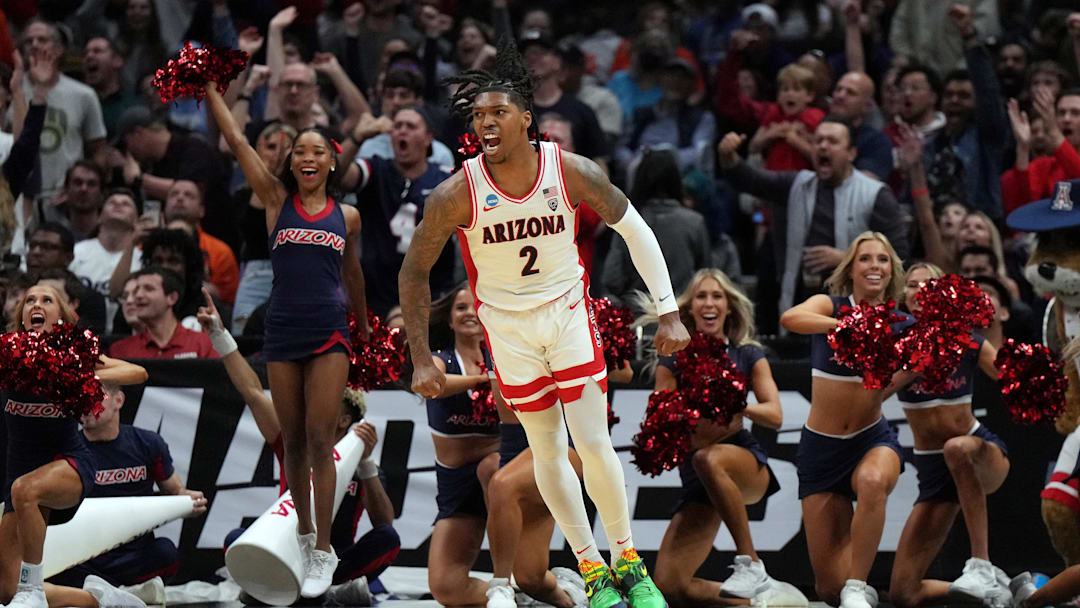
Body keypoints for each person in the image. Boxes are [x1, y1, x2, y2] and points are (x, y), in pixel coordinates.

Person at [401, 42, 690, 608]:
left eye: (498, 113)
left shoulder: (571, 171)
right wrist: (419, 356)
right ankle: (592, 567)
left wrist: (669, 311)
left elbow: (636, 230)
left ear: (526, 120)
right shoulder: (456, 193)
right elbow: (414, 273)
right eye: (478, 116)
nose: (486, 123)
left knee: (593, 440)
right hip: (507, 331)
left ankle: (628, 559)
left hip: (566, 314)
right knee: (547, 453)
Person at [207, 75, 368, 597]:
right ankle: (302, 536)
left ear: (331, 162)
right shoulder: (276, 200)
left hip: (330, 330)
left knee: (323, 439)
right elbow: (237, 141)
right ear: (291, 161)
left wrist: (364, 330)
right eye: (299, 150)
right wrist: (209, 87)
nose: (306, 156)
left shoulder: (348, 216)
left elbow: (353, 275)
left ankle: (324, 549)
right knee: (293, 441)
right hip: (282, 328)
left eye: (317, 150)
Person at [200, 290, 398, 606]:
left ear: (344, 418)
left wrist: (366, 465)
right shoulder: (292, 443)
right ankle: (292, 588)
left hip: (336, 559)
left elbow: (384, 521)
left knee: (388, 540)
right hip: (288, 552)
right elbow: (252, 391)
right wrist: (219, 335)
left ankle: (316, 590)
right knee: (236, 542)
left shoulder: (359, 456)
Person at [643, 269, 797, 607]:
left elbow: (775, 415)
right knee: (670, 586)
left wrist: (735, 401)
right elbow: (659, 414)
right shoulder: (673, 359)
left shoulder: (748, 355)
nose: (709, 303)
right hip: (697, 481)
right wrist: (691, 402)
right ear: (690, 308)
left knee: (708, 457)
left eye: (717, 296)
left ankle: (751, 563)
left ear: (729, 307)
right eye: (701, 296)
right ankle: (761, 603)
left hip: (742, 463)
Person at [779, 232, 911, 608]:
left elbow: (923, 358)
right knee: (828, 591)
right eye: (865, 259)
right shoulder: (831, 306)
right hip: (820, 448)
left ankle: (859, 583)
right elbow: (791, 317)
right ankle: (853, 589)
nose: (875, 266)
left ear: (891, 271)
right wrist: (844, 327)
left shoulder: (901, 322)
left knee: (872, 481)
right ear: (850, 269)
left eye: (883, 260)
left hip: (872, 439)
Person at [1, 284, 148, 608]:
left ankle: (33, 590)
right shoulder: (7, 355)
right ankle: (106, 600)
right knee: (4, 589)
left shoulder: (74, 357)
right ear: (22, 315)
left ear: (62, 316)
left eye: (46, 300)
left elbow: (138, 372)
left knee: (26, 490)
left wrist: (77, 374)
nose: (35, 305)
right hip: (18, 476)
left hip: (69, 464)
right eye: (29, 300)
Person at [888, 263, 1011, 608]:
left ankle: (982, 564)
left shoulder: (968, 340)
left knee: (955, 447)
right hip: (933, 471)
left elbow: (1010, 379)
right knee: (903, 594)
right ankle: (997, 592)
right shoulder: (898, 342)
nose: (918, 292)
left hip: (978, 451)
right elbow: (874, 394)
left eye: (928, 285)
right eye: (911, 286)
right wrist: (915, 364)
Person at [718, 120, 909, 319]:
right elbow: (751, 180)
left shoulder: (875, 194)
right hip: (800, 305)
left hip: (856, 313)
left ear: (851, 153)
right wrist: (728, 156)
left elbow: (899, 256)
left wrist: (847, 259)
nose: (823, 146)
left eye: (832, 141)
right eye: (818, 141)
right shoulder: (797, 184)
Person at [49, 382, 207, 588]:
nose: (85, 403)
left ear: (118, 400)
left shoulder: (148, 443)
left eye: (94, 396)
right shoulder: (67, 451)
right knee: (53, 568)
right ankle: (123, 593)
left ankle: (107, 593)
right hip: (85, 558)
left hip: (135, 555)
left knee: (167, 552)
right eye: (80, 397)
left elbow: (175, 491)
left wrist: (190, 501)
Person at [413, 285, 501, 606]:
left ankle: (513, 575)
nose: (469, 313)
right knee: (445, 588)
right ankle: (519, 597)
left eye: (475, 306)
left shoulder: (502, 357)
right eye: (461, 308)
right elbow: (432, 386)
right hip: (456, 486)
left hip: (498, 473)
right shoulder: (441, 360)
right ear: (450, 321)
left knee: (491, 468)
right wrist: (481, 381)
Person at [109, 268, 218, 360]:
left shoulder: (204, 344)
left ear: (171, 298)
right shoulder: (120, 350)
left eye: (148, 288)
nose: (138, 295)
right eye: (137, 290)